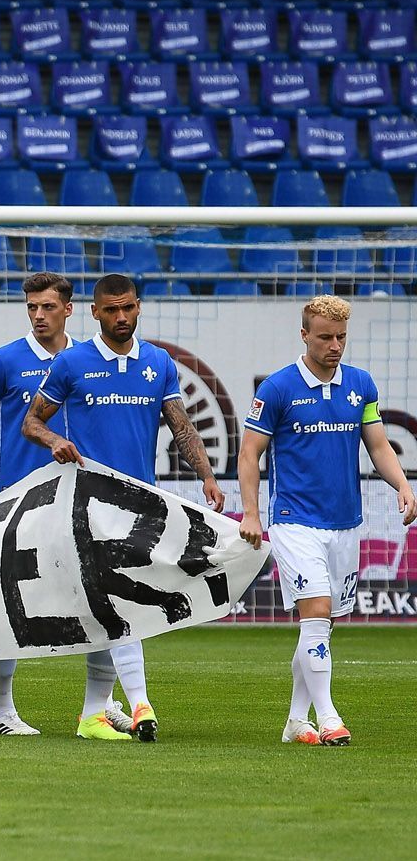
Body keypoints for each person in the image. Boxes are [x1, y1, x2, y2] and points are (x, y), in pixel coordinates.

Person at [23, 274, 225, 742]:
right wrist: (54, 440)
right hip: (89, 505)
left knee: (111, 610)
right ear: (94, 312)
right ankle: (140, 705)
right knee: (121, 602)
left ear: (138, 307)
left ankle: (94, 713)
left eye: (128, 308)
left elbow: (181, 427)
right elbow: (31, 421)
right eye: (111, 310)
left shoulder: (158, 363)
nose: (121, 317)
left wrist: (208, 478)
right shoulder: (71, 362)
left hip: (142, 506)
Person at [238, 295, 416, 747]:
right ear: (304, 335)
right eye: (325, 337)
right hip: (295, 520)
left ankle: (298, 721)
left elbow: (378, 446)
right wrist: (253, 514)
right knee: (315, 615)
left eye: (340, 337)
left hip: (345, 522)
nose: (334, 346)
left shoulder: (361, 385)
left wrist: (403, 485)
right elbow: (249, 453)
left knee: (324, 625)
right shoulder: (277, 389)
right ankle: (330, 717)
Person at [0, 272, 80, 737]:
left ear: (68, 308)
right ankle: (3, 711)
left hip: (77, 502)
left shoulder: (86, 358)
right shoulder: (5, 360)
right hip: (19, 503)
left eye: (47, 307)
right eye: (31, 307)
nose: (39, 315)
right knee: (9, 604)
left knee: (98, 597)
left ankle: (101, 705)